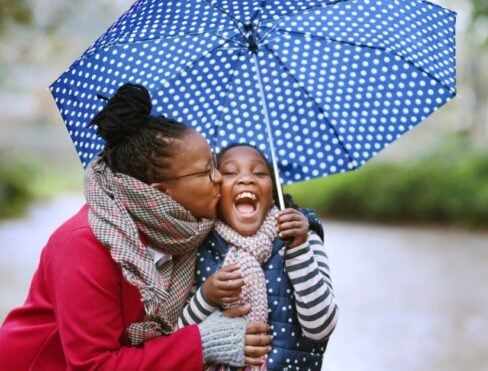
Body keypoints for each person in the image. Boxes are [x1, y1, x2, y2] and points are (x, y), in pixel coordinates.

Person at [0, 84, 271, 370]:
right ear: (161, 192)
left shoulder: (184, 228)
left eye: (216, 165)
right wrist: (202, 342)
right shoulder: (84, 245)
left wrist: (302, 228)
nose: (219, 179)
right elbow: (95, 365)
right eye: (207, 171)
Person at [178, 144, 338, 370]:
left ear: (273, 191)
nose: (246, 179)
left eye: (260, 173)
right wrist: (206, 296)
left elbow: (321, 328)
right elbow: (178, 341)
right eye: (231, 172)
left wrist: (299, 249)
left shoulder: (304, 238)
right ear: (216, 191)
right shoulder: (198, 246)